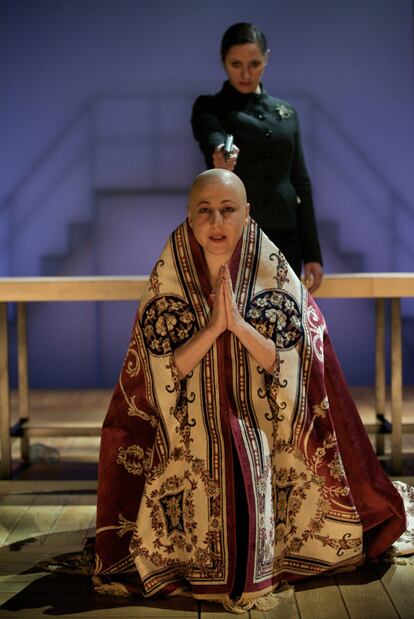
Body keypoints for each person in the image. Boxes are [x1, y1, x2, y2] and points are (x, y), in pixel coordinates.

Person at [91, 169, 406, 612]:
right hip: (189, 425)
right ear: (188, 215)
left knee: (250, 458)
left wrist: (237, 326)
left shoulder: (273, 271)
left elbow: (288, 362)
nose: (216, 223)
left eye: (227, 210)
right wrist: (213, 328)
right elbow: (162, 369)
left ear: (246, 213)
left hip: (263, 419)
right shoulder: (171, 275)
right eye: (205, 211)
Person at [191, 22, 324, 293]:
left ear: (267, 59)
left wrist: (313, 253)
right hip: (236, 237)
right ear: (223, 61)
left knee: (284, 325)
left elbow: (301, 182)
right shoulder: (210, 106)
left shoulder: (286, 112)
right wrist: (219, 154)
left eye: (255, 63)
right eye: (236, 64)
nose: (246, 73)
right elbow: (211, 136)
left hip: (287, 239)